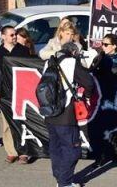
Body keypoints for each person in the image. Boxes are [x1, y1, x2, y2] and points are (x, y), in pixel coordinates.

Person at [45, 43, 96, 187]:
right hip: (66, 114)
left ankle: (60, 178)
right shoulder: (71, 62)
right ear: (73, 52)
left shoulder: (50, 61)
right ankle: (65, 183)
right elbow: (89, 82)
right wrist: (86, 96)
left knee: (56, 148)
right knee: (73, 149)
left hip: (49, 113)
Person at [0, 26, 31, 162]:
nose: (14, 37)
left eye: (15, 34)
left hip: (22, 93)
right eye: (11, 35)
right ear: (4, 37)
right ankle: (12, 151)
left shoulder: (23, 51)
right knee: (7, 125)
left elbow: (30, 70)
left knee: (22, 123)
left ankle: (24, 152)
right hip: (5, 95)